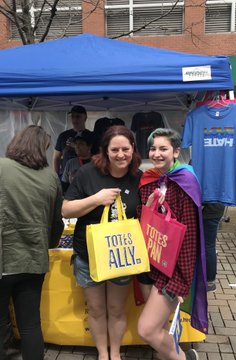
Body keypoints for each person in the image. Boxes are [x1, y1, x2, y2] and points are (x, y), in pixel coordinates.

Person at [62, 125, 142, 360]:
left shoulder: (138, 177)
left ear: (133, 149)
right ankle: (102, 354)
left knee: (116, 309)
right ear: (105, 150)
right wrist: (96, 199)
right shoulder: (88, 173)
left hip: (122, 257)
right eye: (114, 149)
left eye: (125, 149)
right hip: (89, 256)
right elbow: (66, 208)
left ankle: (115, 354)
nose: (120, 155)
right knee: (96, 310)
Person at [136, 128, 208, 360]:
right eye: (153, 148)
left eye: (163, 148)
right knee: (156, 327)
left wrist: (180, 281)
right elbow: (145, 223)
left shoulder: (186, 181)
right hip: (154, 263)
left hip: (173, 272)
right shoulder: (150, 179)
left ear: (176, 151)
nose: (156, 153)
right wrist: (148, 206)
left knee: (146, 329)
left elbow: (189, 237)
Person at [0, 125, 64, 360]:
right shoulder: (50, 177)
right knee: (30, 325)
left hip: (4, 258)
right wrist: (46, 243)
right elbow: (56, 223)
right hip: (34, 260)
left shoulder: (2, 166)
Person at [52, 105, 93, 177]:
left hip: (87, 176)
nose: (75, 119)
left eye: (78, 116)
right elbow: (56, 157)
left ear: (85, 118)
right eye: (72, 116)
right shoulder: (63, 136)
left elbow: (95, 156)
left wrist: (76, 146)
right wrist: (55, 176)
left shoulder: (91, 135)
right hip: (66, 177)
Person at [202, 203, 225, 292]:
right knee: (210, 246)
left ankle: (209, 281)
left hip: (207, 210)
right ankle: (210, 281)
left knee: (208, 246)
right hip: (217, 209)